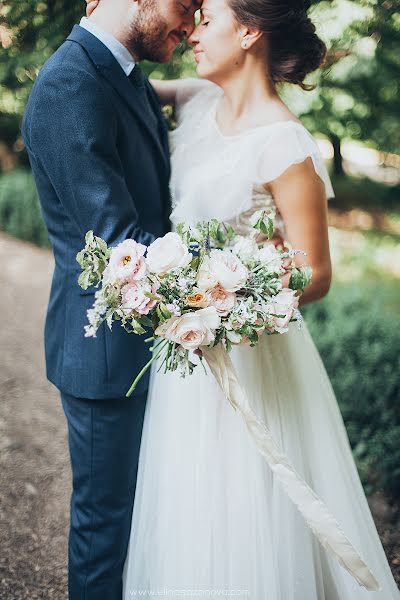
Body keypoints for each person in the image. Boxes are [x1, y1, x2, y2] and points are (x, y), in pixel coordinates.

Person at [87, 0, 400, 597]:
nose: (192, 33)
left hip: (248, 351)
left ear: (250, 31)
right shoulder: (197, 100)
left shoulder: (285, 144)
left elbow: (317, 273)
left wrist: (223, 302)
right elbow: (119, 78)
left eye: (206, 19)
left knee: (248, 507)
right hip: (187, 354)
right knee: (188, 504)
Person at [21, 1, 201, 598]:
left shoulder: (123, 74)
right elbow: (120, 241)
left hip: (149, 340)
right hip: (105, 354)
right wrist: (237, 273)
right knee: (105, 528)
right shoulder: (70, 84)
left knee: (148, 513)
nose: (193, 23)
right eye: (187, 5)